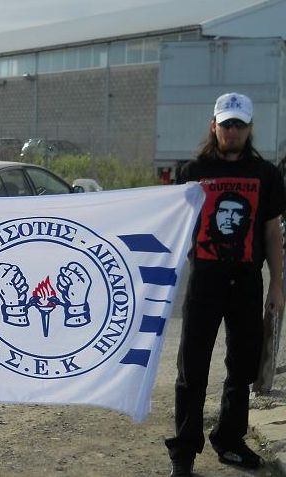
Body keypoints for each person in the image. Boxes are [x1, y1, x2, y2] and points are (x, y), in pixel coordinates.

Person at [166, 93, 286, 477]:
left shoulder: (266, 174)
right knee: (192, 368)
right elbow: (171, 225)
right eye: (226, 124)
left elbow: (270, 232)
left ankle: (230, 441)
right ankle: (184, 450)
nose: (232, 131)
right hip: (205, 281)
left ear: (249, 129)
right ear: (213, 125)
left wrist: (277, 285)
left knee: (243, 365)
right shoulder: (193, 171)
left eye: (239, 124)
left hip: (247, 282)